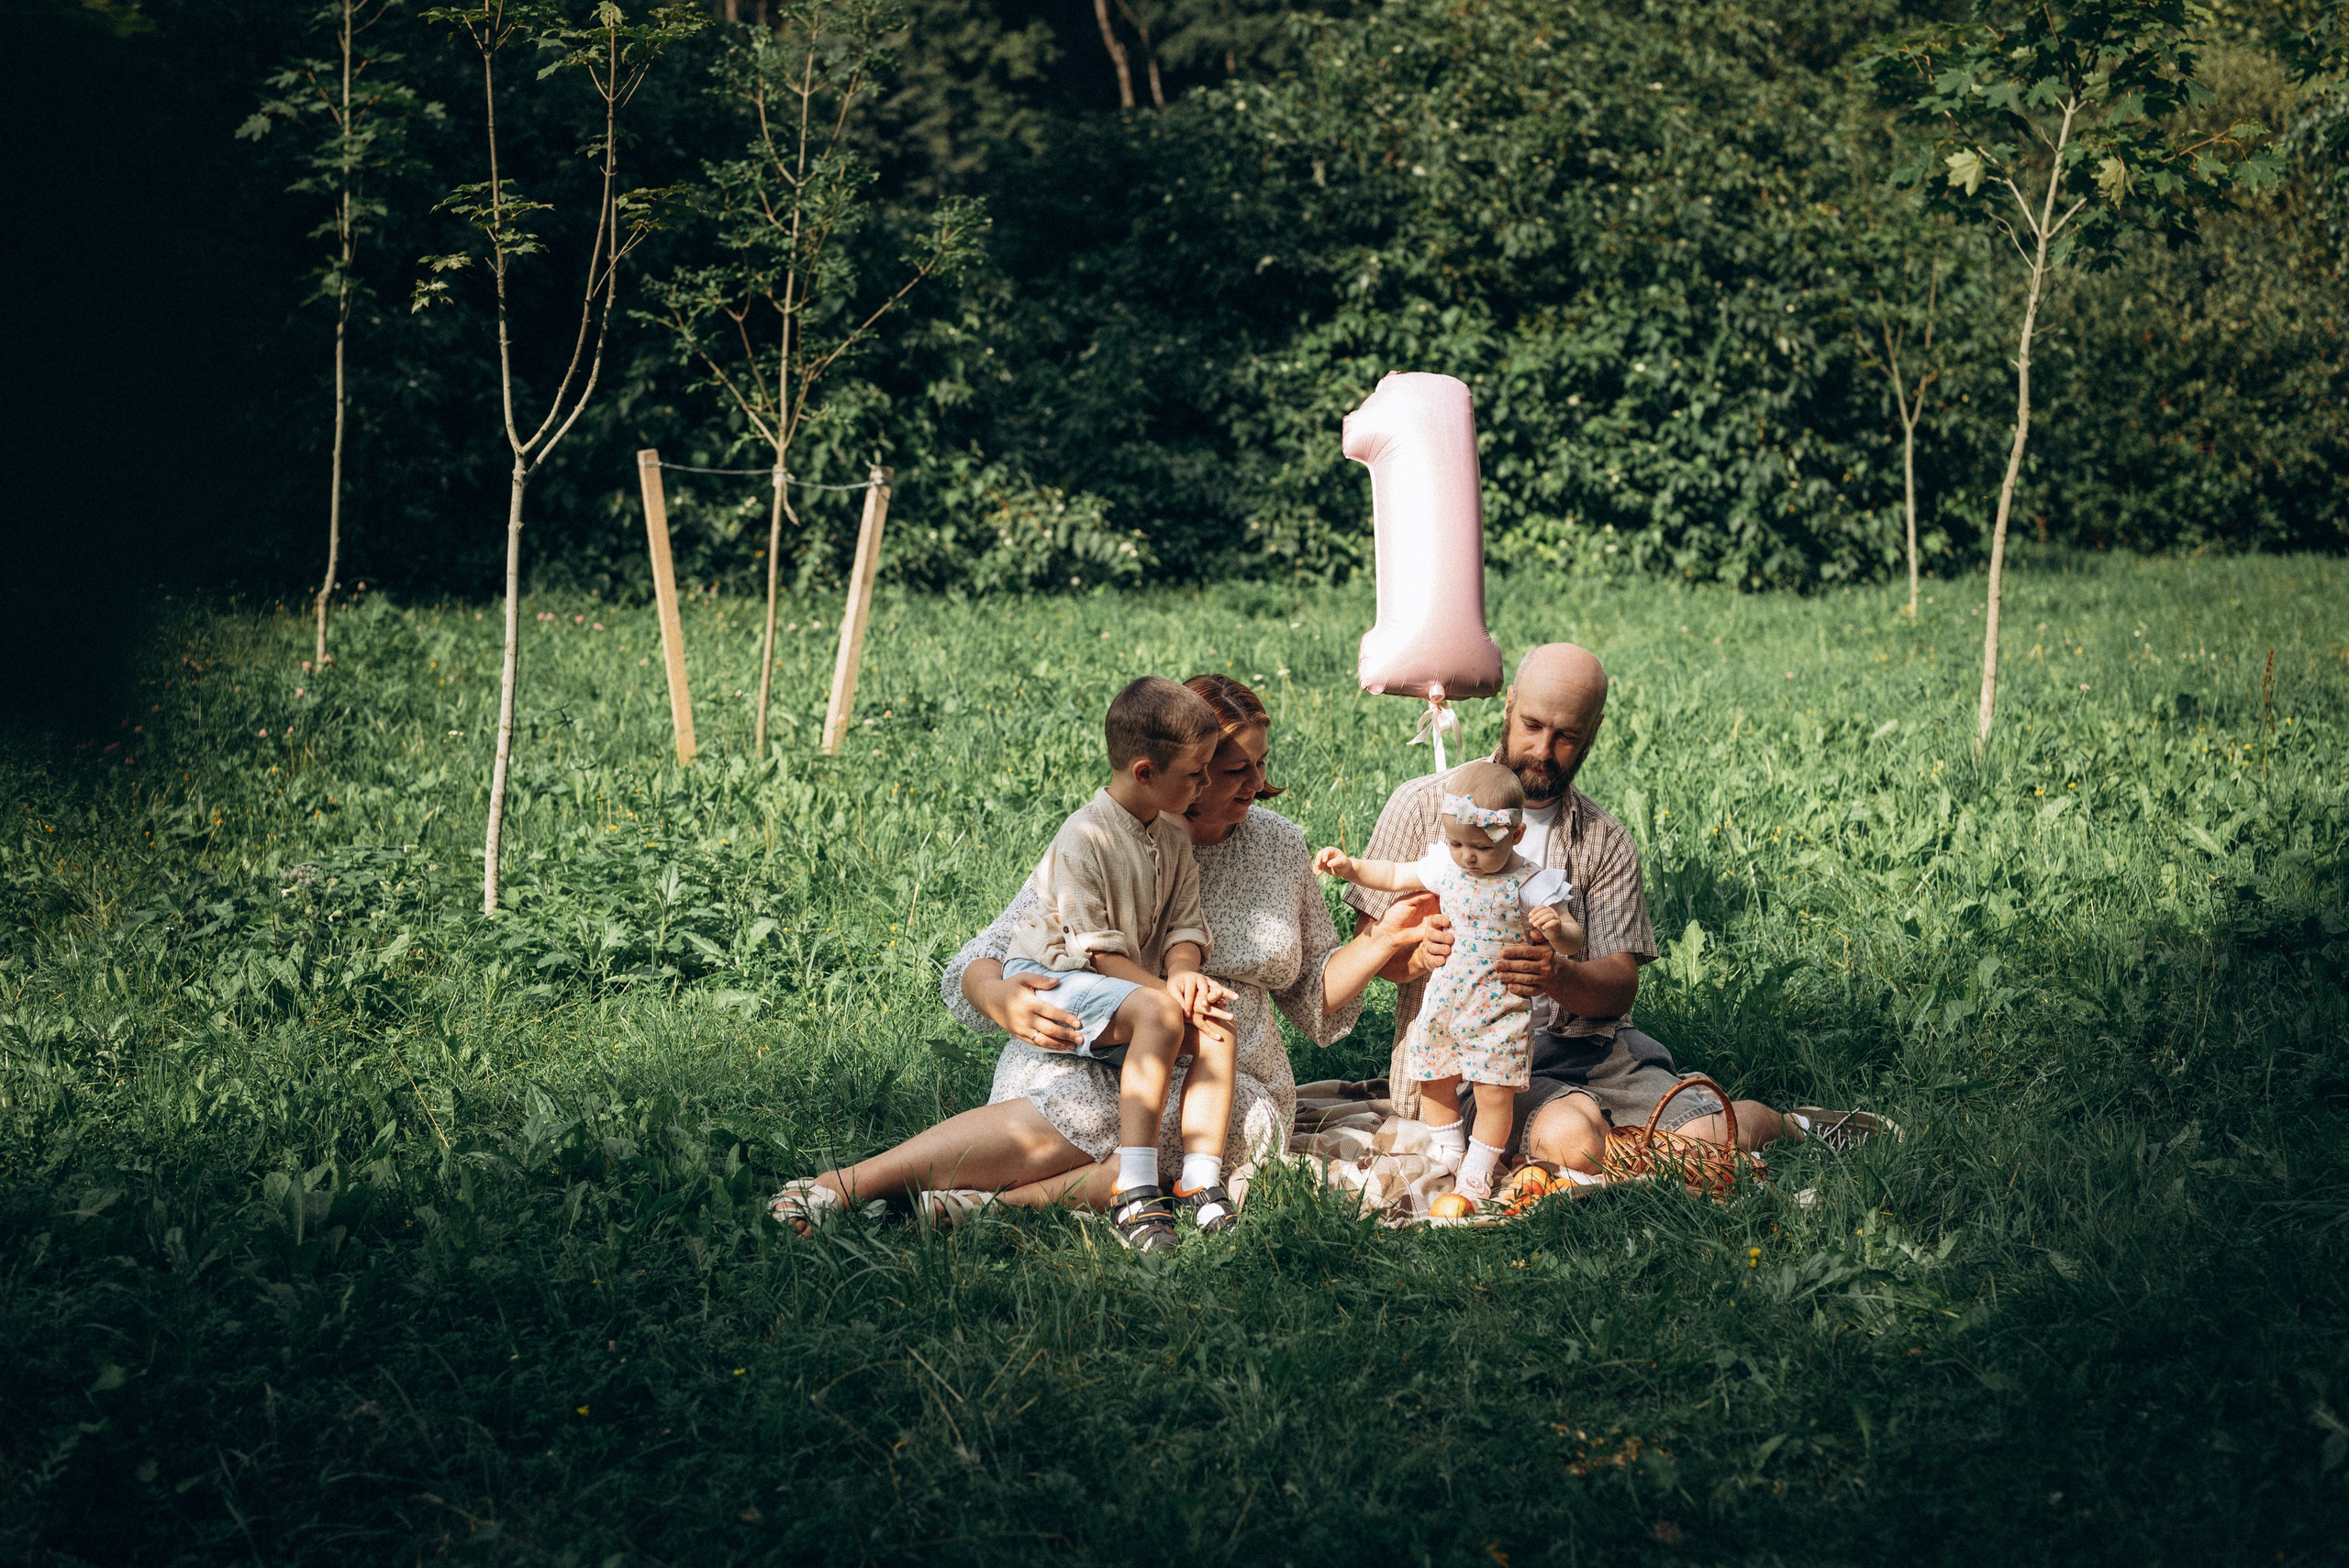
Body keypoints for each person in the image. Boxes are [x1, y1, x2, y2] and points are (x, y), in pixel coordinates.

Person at [769, 675, 1444, 1234]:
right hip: (1087, 1048)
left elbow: (1314, 1003)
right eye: (1235, 770)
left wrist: (1378, 942)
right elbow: (990, 951)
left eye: (1261, 765)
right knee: (1089, 1107)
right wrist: (996, 995)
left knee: (1195, 1116)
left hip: (1223, 1073)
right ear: (1185, 774)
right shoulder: (1112, 834)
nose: (1256, 783)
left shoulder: (1278, 845)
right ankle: (857, 1184)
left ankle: (988, 1205)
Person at [1342, 644, 1894, 1178]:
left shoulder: (1604, 842)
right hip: (1469, 1058)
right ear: (1508, 706)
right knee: (1572, 1142)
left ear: (1593, 734)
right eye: (1532, 726)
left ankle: (1792, 1127)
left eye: (1566, 737)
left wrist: (1557, 973)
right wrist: (1416, 957)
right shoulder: (1425, 805)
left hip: (1592, 1050)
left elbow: (1618, 989)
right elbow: (1374, 955)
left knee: (1721, 1130)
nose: (1543, 750)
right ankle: (1652, 1158)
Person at [994, 675, 1241, 1250]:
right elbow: (1097, 953)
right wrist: (1163, 996)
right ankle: (1134, 1190)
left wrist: (1184, 976)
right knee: (1161, 1016)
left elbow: (1184, 924)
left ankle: (1200, 1186)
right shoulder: (1085, 837)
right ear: (1145, 773)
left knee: (1218, 1026)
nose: (1205, 783)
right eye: (1196, 772)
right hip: (1057, 978)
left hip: (1119, 982)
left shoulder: (1173, 835)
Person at [1314, 760, 1581, 1203]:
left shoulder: (1531, 881)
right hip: (1444, 1002)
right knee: (1432, 1076)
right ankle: (1449, 1148)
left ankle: (1479, 1166)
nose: (1467, 857)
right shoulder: (1448, 864)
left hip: (1497, 1007)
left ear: (1515, 835)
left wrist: (1555, 929)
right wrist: (1352, 868)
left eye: (1479, 847)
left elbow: (1573, 940)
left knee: (1494, 1091)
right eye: (1457, 843)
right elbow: (1397, 875)